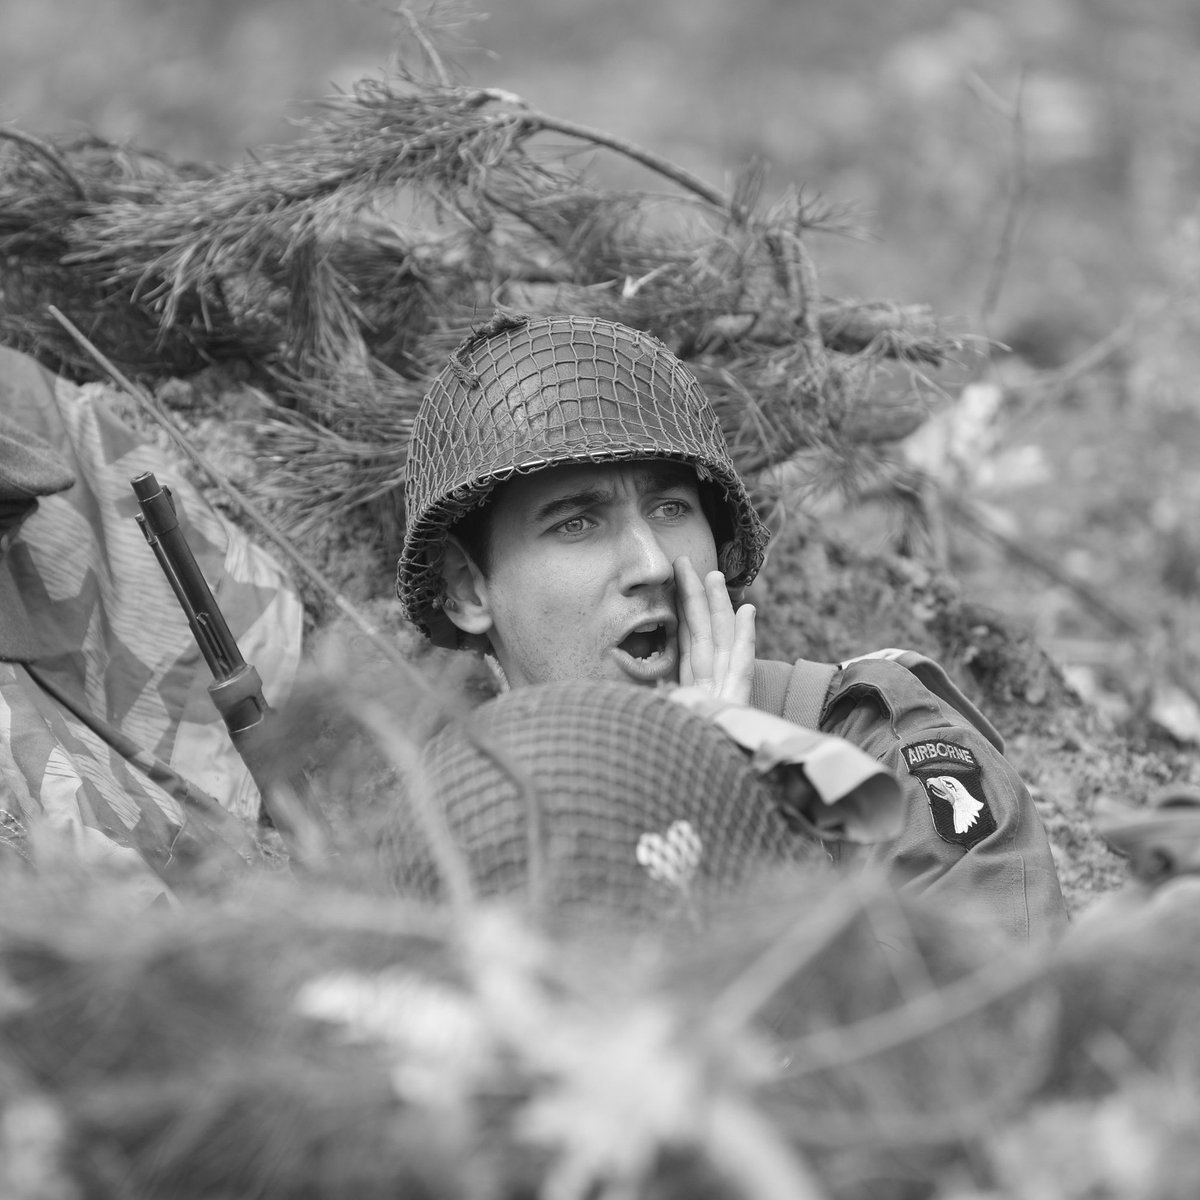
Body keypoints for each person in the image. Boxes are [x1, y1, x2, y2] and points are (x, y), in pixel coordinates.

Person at [396, 311, 1068, 941]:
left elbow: (996, 1024)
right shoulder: (448, 832)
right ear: (466, 589)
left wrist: (736, 789)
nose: (653, 563)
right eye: (577, 523)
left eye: (670, 508)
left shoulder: (876, 748)